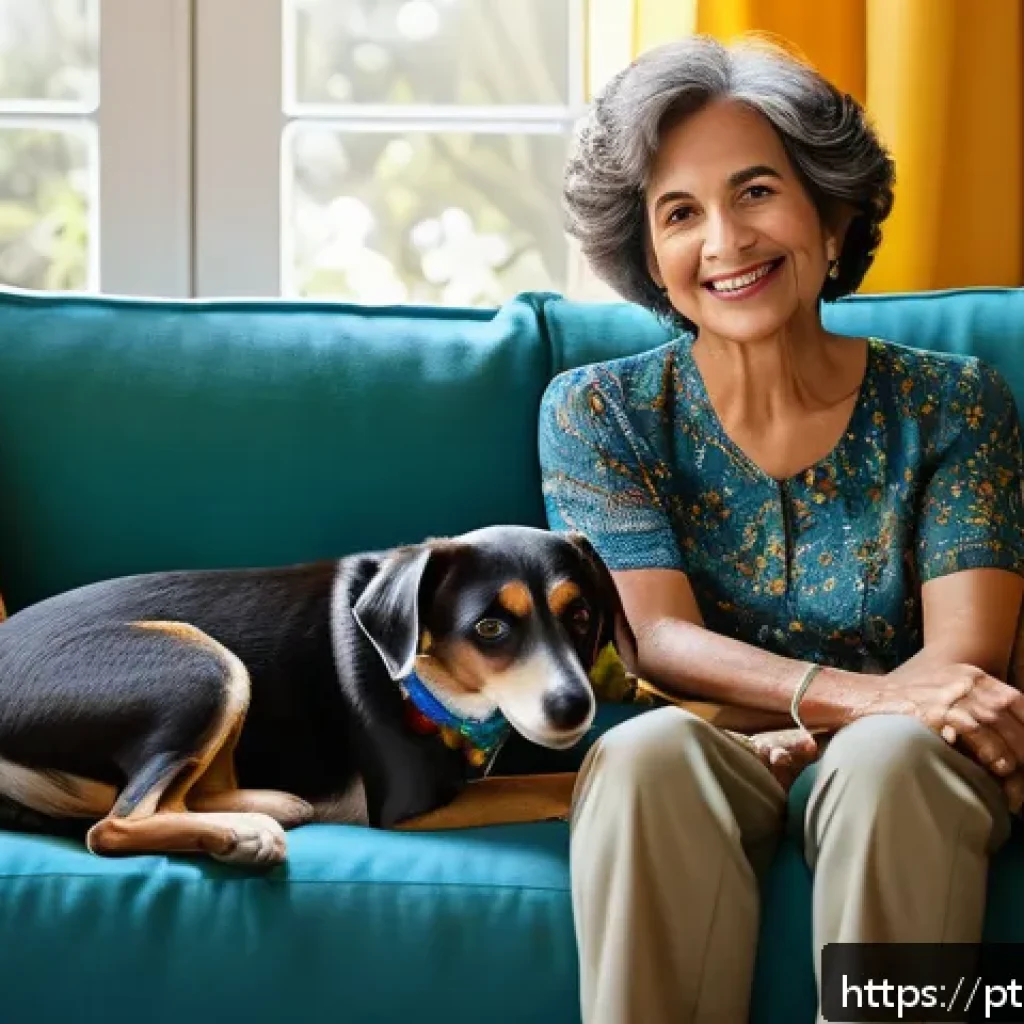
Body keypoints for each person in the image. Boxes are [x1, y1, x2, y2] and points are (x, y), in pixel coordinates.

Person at [537, 34, 1024, 1024]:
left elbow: (959, 668)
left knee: (890, 757)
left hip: (908, 763)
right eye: (680, 213)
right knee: (644, 755)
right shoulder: (599, 412)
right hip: (716, 746)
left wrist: (857, 723)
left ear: (831, 216)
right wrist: (851, 699)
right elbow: (659, 643)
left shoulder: (954, 401)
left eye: (756, 191)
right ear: (649, 257)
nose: (724, 240)